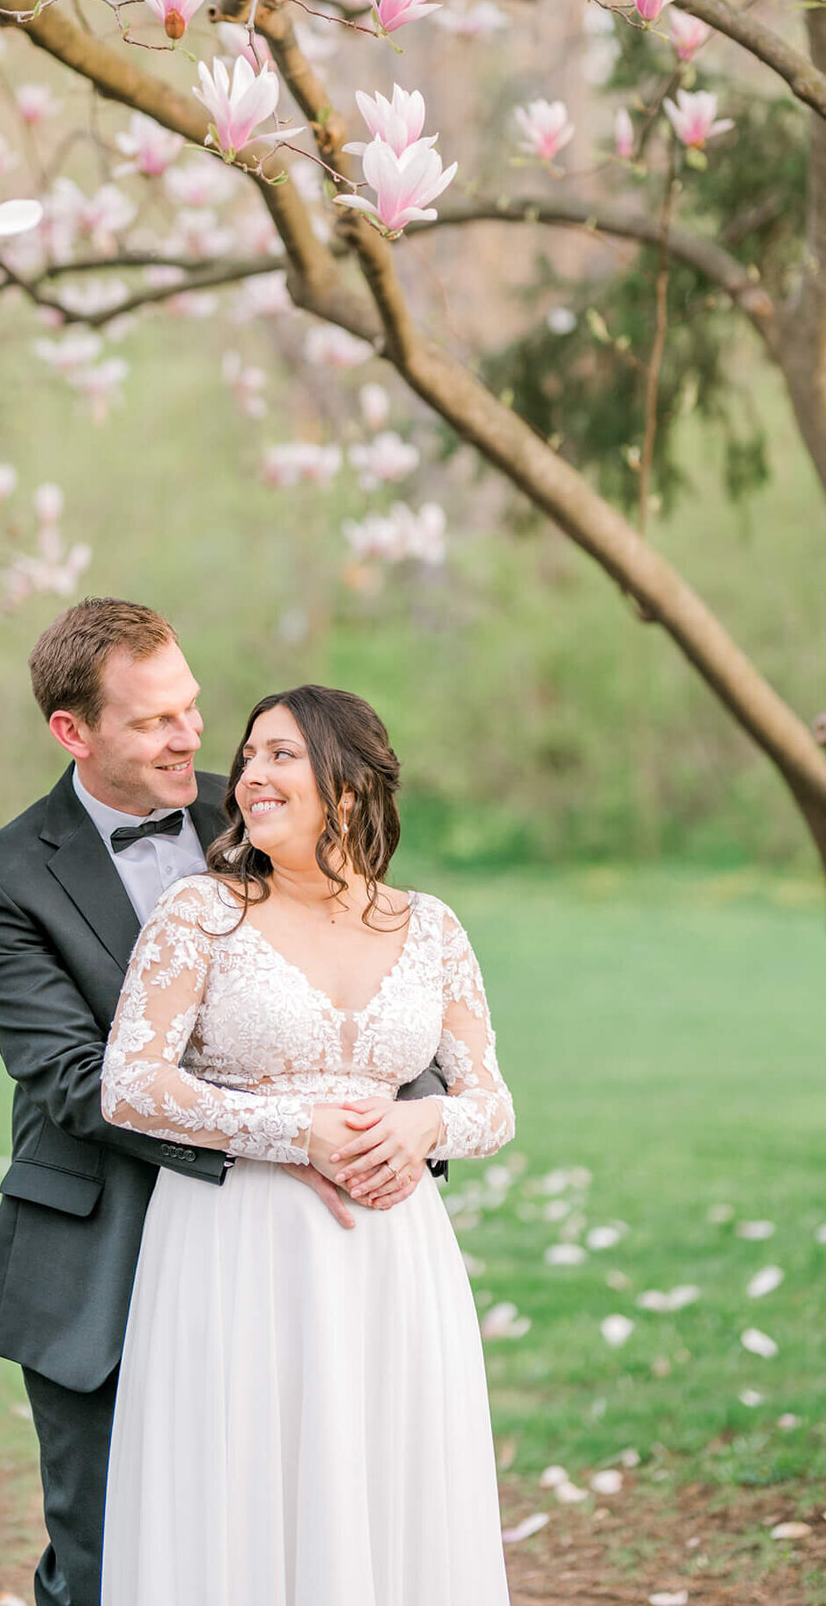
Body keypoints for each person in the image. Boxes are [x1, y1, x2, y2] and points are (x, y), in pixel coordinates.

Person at [0, 600, 449, 1606]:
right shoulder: (1, 878)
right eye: (153, 722)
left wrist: (416, 1113)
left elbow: (388, 976)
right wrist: (279, 1139)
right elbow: (74, 1081)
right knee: (113, 1558)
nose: (191, 738)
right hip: (103, 1252)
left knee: (307, 1531)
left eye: (192, 708)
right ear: (72, 732)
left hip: (302, 1252)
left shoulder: (267, 803)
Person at [100, 682, 516, 1606]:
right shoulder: (198, 914)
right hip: (237, 1243)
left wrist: (422, 1121)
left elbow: (492, 1104)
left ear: (353, 786)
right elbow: (130, 1085)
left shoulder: (432, 927)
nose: (250, 774)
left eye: (281, 754)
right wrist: (298, 1129)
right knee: (245, 1481)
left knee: (387, 1474)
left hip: (394, 1255)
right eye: (248, 756)